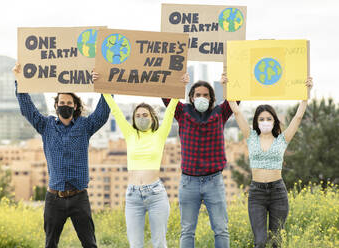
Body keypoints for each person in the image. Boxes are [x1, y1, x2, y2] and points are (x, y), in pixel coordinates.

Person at [13, 63, 110, 248]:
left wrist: (104, 85)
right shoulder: (46, 125)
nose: (65, 106)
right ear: (56, 105)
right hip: (54, 198)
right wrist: (19, 81)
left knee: (90, 244)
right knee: (50, 244)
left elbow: (102, 114)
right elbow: (28, 110)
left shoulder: (85, 126)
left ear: (75, 106)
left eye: (69, 103)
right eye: (62, 103)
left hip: (79, 197)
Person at [92, 72, 186, 248]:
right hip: (133, 195)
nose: (141, 118)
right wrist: (101, 85)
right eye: (138, 115)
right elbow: (115, 110)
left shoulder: (160, 134)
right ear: (133, 119)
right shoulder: (130, 134)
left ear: (152, 118)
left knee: (159, 243)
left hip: (156, 194)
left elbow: (172, 108)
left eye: (145, 115)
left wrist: (181, 85)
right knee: (135, 245)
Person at [227, 75, 313, 248]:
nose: (265, 122)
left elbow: (297, 118)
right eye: (261, 119)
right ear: (256, 122)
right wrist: (227, 87)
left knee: (276, 242)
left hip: (277, 193)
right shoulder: (251, 137)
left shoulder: (282, 139)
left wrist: (306, 94)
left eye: (268, 119)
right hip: (257, 194)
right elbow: (236, 112)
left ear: (274, 121)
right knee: (259, 242)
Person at [162, 74, 235, 248]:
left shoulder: (220, 113)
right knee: (187, 230)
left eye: (205, 95)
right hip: (189, 182)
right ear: (191, 97)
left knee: (221, 229)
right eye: (197, 95)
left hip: (214, 181)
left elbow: (236, 98)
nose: (201, 98)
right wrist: (180, 83)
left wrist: (228, 85)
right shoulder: (182, 112)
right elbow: (166, 96)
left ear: (211, 98)